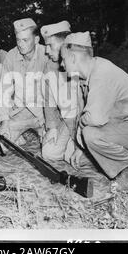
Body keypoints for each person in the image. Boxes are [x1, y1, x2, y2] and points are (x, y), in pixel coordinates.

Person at [60, 32, 128, 190]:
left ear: (73, 57)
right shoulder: (86, 76)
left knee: (91, 134)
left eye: (64, 58)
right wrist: (82, 148)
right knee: (88, 151)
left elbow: (94, 119)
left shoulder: (102, 73)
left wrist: (82, 130)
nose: (61, 64)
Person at [0, 18, 56, 146]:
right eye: (18, 40)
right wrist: (4, 122)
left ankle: (40, 134)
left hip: (43, 114)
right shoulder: (11, 56)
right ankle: (17, 135)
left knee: (50, 149)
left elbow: (56, 93)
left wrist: (52, 126)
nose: (20, 44)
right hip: (20, 112)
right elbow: (4, 91)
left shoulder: (48, 54)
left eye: (25, 40)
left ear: (37, 39)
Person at [39, 21, 82, 162]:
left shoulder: (81, 62)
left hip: (86, 122)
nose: (46, 51)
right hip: (67, 121)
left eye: (50, 46)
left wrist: (79, 142)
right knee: (49, 153)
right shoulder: (50, 67)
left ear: (65, 43)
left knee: (74, 156)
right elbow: (48, 101)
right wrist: (52, 128)